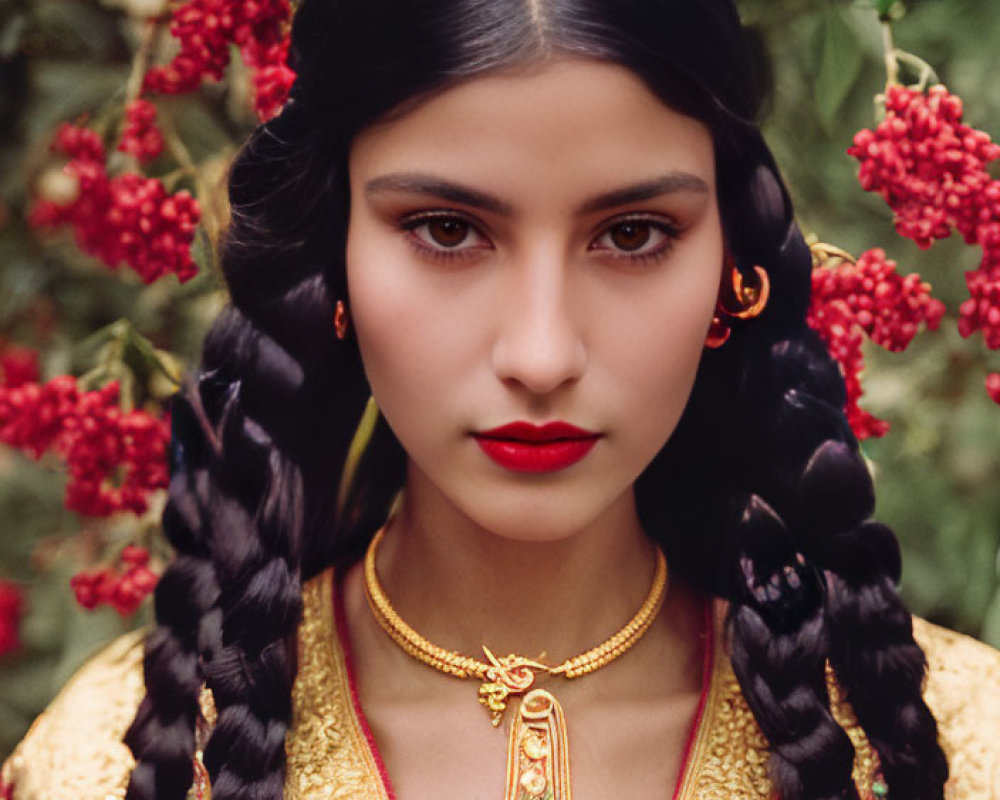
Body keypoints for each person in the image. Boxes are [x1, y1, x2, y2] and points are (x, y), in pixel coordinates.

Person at [4, 1, 1000, 799]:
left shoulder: (957, 739)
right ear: (331, 262)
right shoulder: (108, 758)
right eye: (445, 230)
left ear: (731, 273)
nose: (540, 353)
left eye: (633, 234)